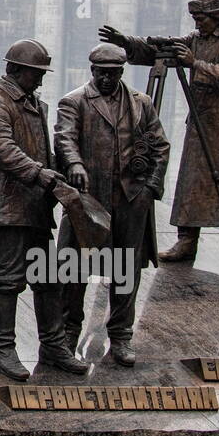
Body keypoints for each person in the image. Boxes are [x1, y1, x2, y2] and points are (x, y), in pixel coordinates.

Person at [100, 0, 219, 276]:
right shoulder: (199, 39)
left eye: (201, 18)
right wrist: (127, 44)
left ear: (217, 16)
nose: (196, 24)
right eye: (194, 18)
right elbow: (162, 52)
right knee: (193, 178)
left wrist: (194, 63)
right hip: (207, 122)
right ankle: (187, 241)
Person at [0, 39, 88, 381]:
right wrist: (45, 177)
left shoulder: (34, 103)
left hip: (35, 204)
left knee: (49, 278)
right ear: (14, 70)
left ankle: (53, 346)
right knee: (7, 281)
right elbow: (2, 150)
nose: (40, 80)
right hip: (6, 206)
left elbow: (42, 152)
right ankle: (3, 350)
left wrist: (62, 176)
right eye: (35, 74)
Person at [54, 43, 169, 366]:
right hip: (89, 200)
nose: (107, 79)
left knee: (126, 271)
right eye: (102, 73)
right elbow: (64, 138)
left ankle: (121, 336)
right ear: (92, 71)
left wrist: (150, 188)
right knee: (74, 268)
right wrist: (74, 165)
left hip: (131, 200)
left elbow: (160, 146)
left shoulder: (140, 103)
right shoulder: (74, 102)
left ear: (121, 72)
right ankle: (67, 333)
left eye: (114, 73)